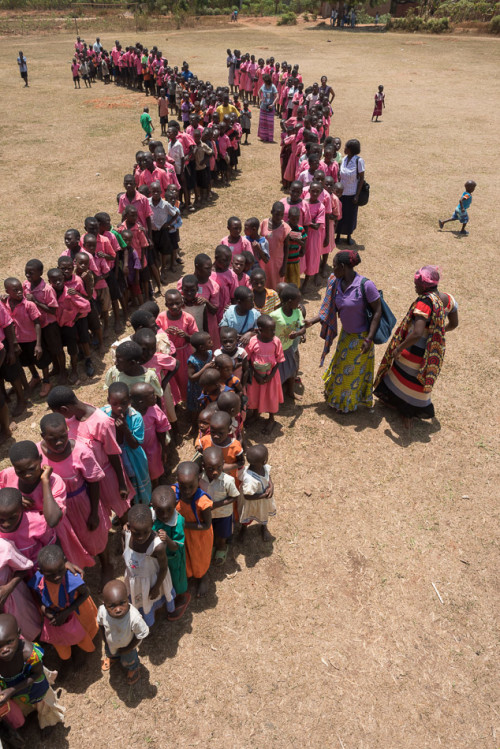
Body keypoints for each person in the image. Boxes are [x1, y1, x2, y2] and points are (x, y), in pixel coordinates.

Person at [374, 266, 452, 426]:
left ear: (424, 286)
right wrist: (438, 331)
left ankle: (406, 414)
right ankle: (407, 411)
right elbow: (455, 322)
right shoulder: (446, 299)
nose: (415, 287)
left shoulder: (424, 303)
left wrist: (399, 348)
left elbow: (416, 333)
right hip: (430, 354)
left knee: (402, 376)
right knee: (418, 383)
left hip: (414, 351)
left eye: (416, 285)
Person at [306, 250, 382, 413]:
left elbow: (377, 311)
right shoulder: (335, 282)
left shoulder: (366, 285)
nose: (332, 270)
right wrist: (311, 322)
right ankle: (336, 398)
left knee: (351, 373)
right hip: (346, 335)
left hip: (361, 338)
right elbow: (328, 308)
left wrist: (369, 339)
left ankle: (345, 404)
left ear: (343, 267)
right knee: (340, 367)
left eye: (334, 266)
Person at [29, 545, 98, 664]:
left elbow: (86, 593)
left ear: (65, 563)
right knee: (62, 638)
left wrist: (66, 612)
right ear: (41, 572)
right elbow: (36, 593)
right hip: (55, 616)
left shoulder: (72, 579)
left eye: (60, 570)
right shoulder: (38, 580)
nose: (57, 576)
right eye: (50, 575)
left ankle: (79, 651)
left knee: (81, 634)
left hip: (77, 613)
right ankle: (66, 658)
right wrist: (44, 609)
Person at [0, 613, 65, 730]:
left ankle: (49, 725)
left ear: (18, 633)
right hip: (17, 691)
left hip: (34, 686)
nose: (4, 650)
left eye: (9, 642)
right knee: (27, 704)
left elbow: (37, 674)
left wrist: (12, 690)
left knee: (43, 704)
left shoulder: (29, 654)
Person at [123, 504, 175, 626]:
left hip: (151, 582)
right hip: (135, 579)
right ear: (129, 527)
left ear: (152, 524)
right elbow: (125, 549)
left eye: (145, 532)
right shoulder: (126, 533)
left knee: (149, 601)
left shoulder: (157, 546)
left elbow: (163, 568)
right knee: (138, 599)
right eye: (136, 533)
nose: (141, 537)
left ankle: (151, 619)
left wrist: (156, 587)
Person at [102, 383, 151, 505]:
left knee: (138, 483)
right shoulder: (103, 415)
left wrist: (126, 430)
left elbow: (135, 445)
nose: (119, 408)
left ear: (129, 400)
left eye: (124, 403)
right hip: (114, 459)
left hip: (134, 458)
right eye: (115, 404)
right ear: (109, 401)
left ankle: (143, 505)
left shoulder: (135, 417)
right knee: (120, 484)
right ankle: (126, 508)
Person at [98, 579, 149, 686]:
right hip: (110, 643)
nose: (118, 609)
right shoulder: (102, 611)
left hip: (127, 647)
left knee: (129, 660)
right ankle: (114, 658)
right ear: (105, 604)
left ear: (127, 599)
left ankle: (133, 669)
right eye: (112, 606)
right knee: (110, 652)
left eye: (122, 603)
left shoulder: (134, 618)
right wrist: (105, 640)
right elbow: (101, 624)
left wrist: (128, 648)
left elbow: (140, 635)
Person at [173, 462, 213, 598]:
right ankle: (189, 574)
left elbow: (207, 525)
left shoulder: (202, 502)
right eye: (183, 487)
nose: (187, 491)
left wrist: (184, 525)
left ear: (199, 478)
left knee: (200, 556)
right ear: (177, 481)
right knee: (186, 555)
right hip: (182, 535)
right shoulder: (174, 493)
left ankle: (202, 576)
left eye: (191, 486)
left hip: (199, 536)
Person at [151, 486, 190, 619]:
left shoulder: (177, 521)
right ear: (153, 507)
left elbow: (176, 547)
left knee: (176, 579)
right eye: (160, 511)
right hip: (158, 559)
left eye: (169, 510)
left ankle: (181, 596)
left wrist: (167, 539)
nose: (166, 515)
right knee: (162, 579)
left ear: (175, 504)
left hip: (174, 558)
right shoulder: (151, 516)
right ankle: (167, 596)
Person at [200, 446, 239, 566]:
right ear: (203, 466)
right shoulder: (200, 478)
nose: (215, 472)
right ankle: (212, 546)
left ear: (223, 464)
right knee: (210, 532)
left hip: (223, 514)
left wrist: (217, 505)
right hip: (208, 515)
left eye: (218, 468)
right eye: (210, 469)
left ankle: (222, 548)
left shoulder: (228, 481)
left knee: (222, 535)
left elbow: (234, 496)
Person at [245, 315, 285, 434]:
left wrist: (271, 375)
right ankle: (256, 414)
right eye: (271, 330)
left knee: (270, 397)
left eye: (274, 329)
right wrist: (255, 374)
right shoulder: (252, 341)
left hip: (271, 377)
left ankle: (271, 419)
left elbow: (279, 360)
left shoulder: (276, 341)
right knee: (256, 395)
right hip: (255, 376)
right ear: (260, 330)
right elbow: (247, 359)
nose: (274, 332)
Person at [270, 285, 305, 401]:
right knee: (277, 375)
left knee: (291, 372)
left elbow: (302, 327)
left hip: (289, 348)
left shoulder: (297, 312)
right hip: (276, 350)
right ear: (290, 302)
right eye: (297, 300)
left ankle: (290, 392)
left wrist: (298, 333)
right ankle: (275, 398)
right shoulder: (275, 315)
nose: (299, 303)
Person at [238, 444, 275, 541]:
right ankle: (243, 528)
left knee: (263, 513)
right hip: (251, 502)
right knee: (247, 515)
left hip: (262, 501)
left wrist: (271, 486)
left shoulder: (263, 467)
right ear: (264, 461)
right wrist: (264, 495)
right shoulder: (250, 480)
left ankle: (263, 527)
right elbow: (247, 496)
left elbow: (267, 476)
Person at [336, 139, 365, 246]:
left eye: (346, 147)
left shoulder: (359, 161)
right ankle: (338, 235)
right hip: (341, 193)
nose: (344, 149)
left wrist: (357, 195)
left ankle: (348, 236)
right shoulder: (344, 159)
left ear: (351, 149)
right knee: (339, 215)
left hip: (352, 193)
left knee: (350, 216)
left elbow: (361, 179)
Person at [259, 203, 291, 290]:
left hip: (277, 263)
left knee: (276, 285)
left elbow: (287, 247)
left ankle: (275, 303)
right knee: (263, 282)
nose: (279, 217)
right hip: (264, 261)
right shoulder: (264, 223)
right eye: (277, 214)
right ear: (271, 212)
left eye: (281, 215)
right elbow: (260, 240)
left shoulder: (285, 228)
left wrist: (284, 266)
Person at [258, 74, 278, 143]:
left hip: (270, 108)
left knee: (270, 123)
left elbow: (277, 96)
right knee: (263, 123)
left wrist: (273, 104)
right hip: (263, 107)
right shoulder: (263, 85)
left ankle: (269, 138)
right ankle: (263, 137)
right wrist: (260, 99)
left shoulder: (273, 87)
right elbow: (259, 92)